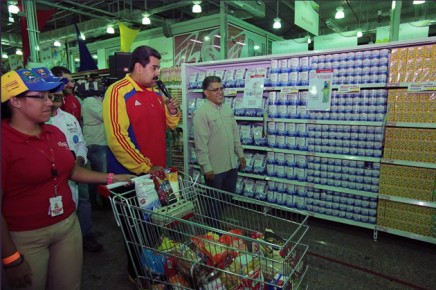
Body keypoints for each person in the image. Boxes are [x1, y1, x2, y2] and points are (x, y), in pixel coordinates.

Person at [1, 68, 134, 290]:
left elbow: (70, 172)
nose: (50, 103)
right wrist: (10, 258)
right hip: (26, 237)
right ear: (15, 101)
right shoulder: (5, 142)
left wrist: (113, 177)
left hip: (67, 226)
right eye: (41, 97)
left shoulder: (55, 133)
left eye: (51, 96)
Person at [102, 45, 181, 289]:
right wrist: (146, 167)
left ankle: (153, 266)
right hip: (132, 178)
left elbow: (168, 126)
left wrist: (172, 112)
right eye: (154, 67)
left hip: (156, 174)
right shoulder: (117, 92)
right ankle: (136, 273)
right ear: (138, 67)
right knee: (134, 231)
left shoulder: (156, 93)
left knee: (154, 226)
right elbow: (117, 137)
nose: (158, 73)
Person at [33, 67, 103, 253]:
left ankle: (85, 235)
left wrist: (79, 159)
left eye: (56, 97)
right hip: (54, 177)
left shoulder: (69, 119)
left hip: (77, 169)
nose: (53, 102)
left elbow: (80, 142)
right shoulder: (40, 124)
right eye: (48, 97)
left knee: (83, 201)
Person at [192, 76, 246, 226]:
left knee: (227, 197)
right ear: (206, 93)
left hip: (230, 165)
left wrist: (240, 154)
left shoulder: (227, 109)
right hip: (214, 169)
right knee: (213, 202)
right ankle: (212, 230)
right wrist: (206, 167)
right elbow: (200, 144)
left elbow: (235, 134)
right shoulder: (201, 113)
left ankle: (214, 222)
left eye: (221, 89)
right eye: (215, 89)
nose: (220, 92)